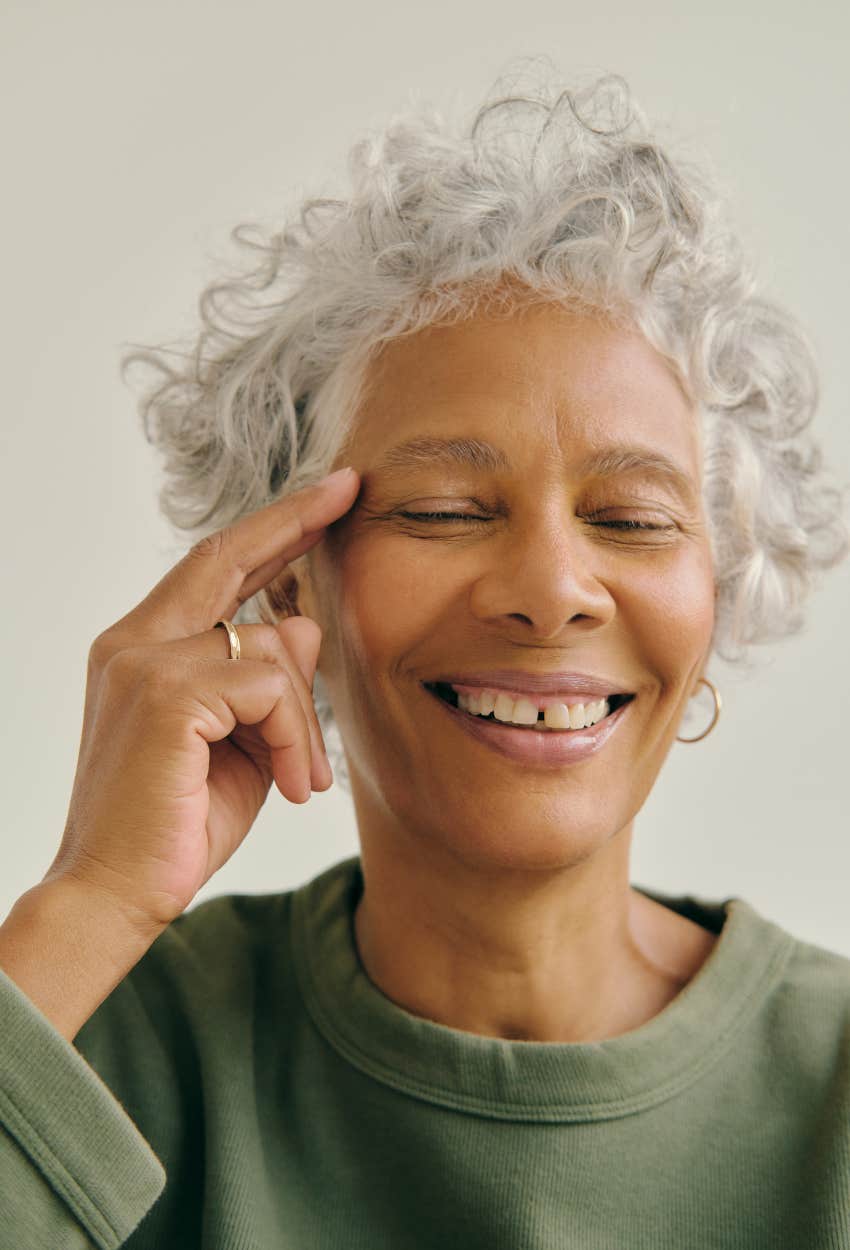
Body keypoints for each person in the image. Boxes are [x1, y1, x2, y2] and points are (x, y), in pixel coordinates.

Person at [2, 63, 849, 1249]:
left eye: (633, 518)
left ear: (717, 594)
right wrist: (89, 897)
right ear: (291, 579)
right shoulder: (94, 1052)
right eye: (446, 508)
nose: (553, 592)